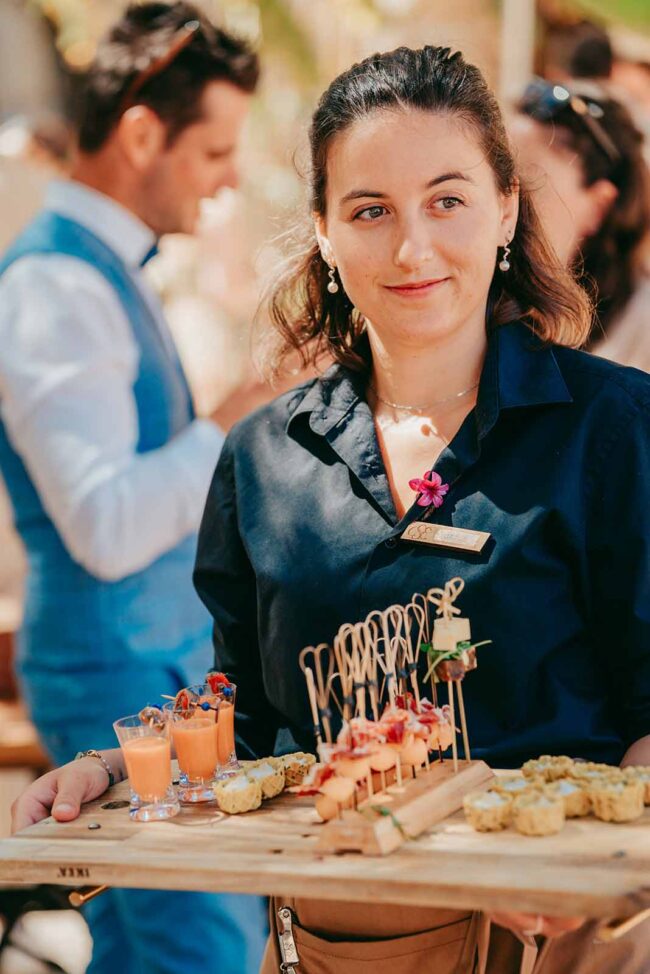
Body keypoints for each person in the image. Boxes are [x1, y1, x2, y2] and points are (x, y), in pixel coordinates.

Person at [12, 44, 650, 974]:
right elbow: (251, 721)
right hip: (333, 946)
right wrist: (109, 771)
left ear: (507, 209)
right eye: (370, 210)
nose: (412, 248)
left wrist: (590, 864)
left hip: (561, 945)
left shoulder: (616, 430)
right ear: (324, 231)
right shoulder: (262, 458)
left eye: (447, 201)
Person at [0, 3, 267, 972]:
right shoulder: (51, 287)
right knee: (199, 951)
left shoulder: (105, 271)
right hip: (111, 668)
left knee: (155, 946)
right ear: (144, 133)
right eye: (215, 151)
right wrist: (238, 411)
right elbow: (106, 524)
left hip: (155, 662)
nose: (229, 177)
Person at [511, 78, 650, 371]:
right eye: (497, 180)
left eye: (528, 189)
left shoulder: (637, 333)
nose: (504, 205)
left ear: (599, 206)